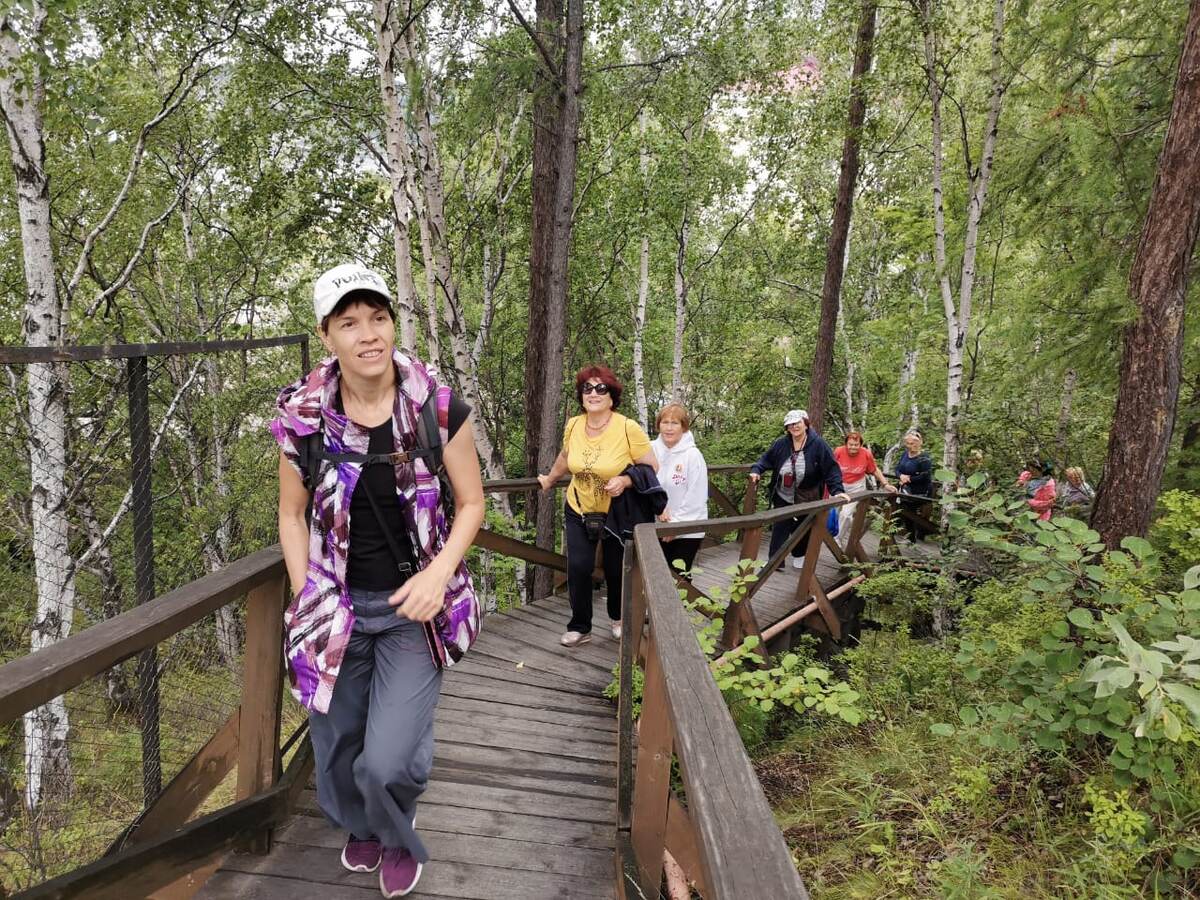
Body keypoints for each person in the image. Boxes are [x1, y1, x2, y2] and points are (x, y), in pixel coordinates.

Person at [272, 263, 485, 898]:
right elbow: (290, 514)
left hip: (412, 610)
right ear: (326, 335)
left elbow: (471, 503)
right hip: (333, 606)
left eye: (378, 318)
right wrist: (305, 593)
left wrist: (438, 574)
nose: (368, 334)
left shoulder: (437, 408)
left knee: (390, 757)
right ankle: (361, 825)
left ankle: (396, 831)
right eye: (349, 322)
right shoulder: (303, 417)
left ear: (392, 324)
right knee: (336, 745)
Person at [537, 365, 658, 646]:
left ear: (611, 396)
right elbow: (566, 456)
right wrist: (550, 479)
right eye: (587, 388)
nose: (593, 393)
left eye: (600, 388)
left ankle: (618, 618)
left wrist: (625, 480)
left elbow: (652, 466)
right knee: (579, 566)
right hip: (579, 505)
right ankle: (580, 626)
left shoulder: (627, 428)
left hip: (616, 510)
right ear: (581, 396)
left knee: (616, 569)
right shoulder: (574, 425)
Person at [748, 410, 849, 569]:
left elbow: (831, 469)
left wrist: (837, 491)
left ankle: (799, 554)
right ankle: (775, 562)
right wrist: (756, 470)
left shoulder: (818, 444)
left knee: (803, 526)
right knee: (780, 526)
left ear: (805, 424)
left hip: (807, 494)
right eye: (790, 424)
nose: (794, 427)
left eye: (797, 423)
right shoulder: (781, 443)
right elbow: (766, 459)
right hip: (783, 493)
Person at [651, 403, 709, 576]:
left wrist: (675, 526)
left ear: (683, 427)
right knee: (656, 575)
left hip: (687, 528)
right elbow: (643, 484)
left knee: (679, 576)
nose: (669, 428)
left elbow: (696, 496)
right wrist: (657, 506)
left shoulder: (693, 455)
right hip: (655, 525)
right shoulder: (650, 450)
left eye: (674, 423)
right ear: (658, 425)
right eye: (665, 422)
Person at [832, 431, 890, 546]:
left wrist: (885, 484)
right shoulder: (838, 451)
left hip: (856, 486)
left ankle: (837, 539)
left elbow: (874, 470)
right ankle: (828, 535)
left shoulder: (866, 454)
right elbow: (829, 467)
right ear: (846, 444)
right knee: (833, 511)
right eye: (850, 444)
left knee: (846, 514)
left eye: (856, 445)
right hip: (839, 484)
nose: (853, 447)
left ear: (860, 445)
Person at [892, 428, 933, 541]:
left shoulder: (924, 458)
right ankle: (893, 532)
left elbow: (926, 476)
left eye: (913, 443)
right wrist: (901, 476)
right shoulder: (905, 454)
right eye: (909, 443)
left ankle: (911, 537)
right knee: (895, 503)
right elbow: (897, 469)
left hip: (920, 492)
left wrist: (909, 479)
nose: (911, 446)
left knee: (906, 508)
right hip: (904, 489)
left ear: (919, 443)